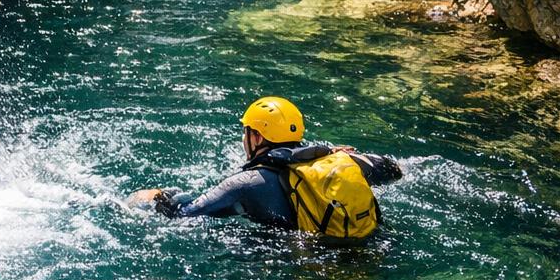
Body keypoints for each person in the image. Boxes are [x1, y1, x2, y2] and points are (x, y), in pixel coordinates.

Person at [131, 96, 402, 237]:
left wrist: (156, 196)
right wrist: (338, 156)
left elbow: (184, 214)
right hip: (369, 244)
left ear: (258, 137)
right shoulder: (343, 160)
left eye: (247, 131)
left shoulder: (245, 182)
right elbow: (394, 170)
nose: (243, 138)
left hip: (310, 262)